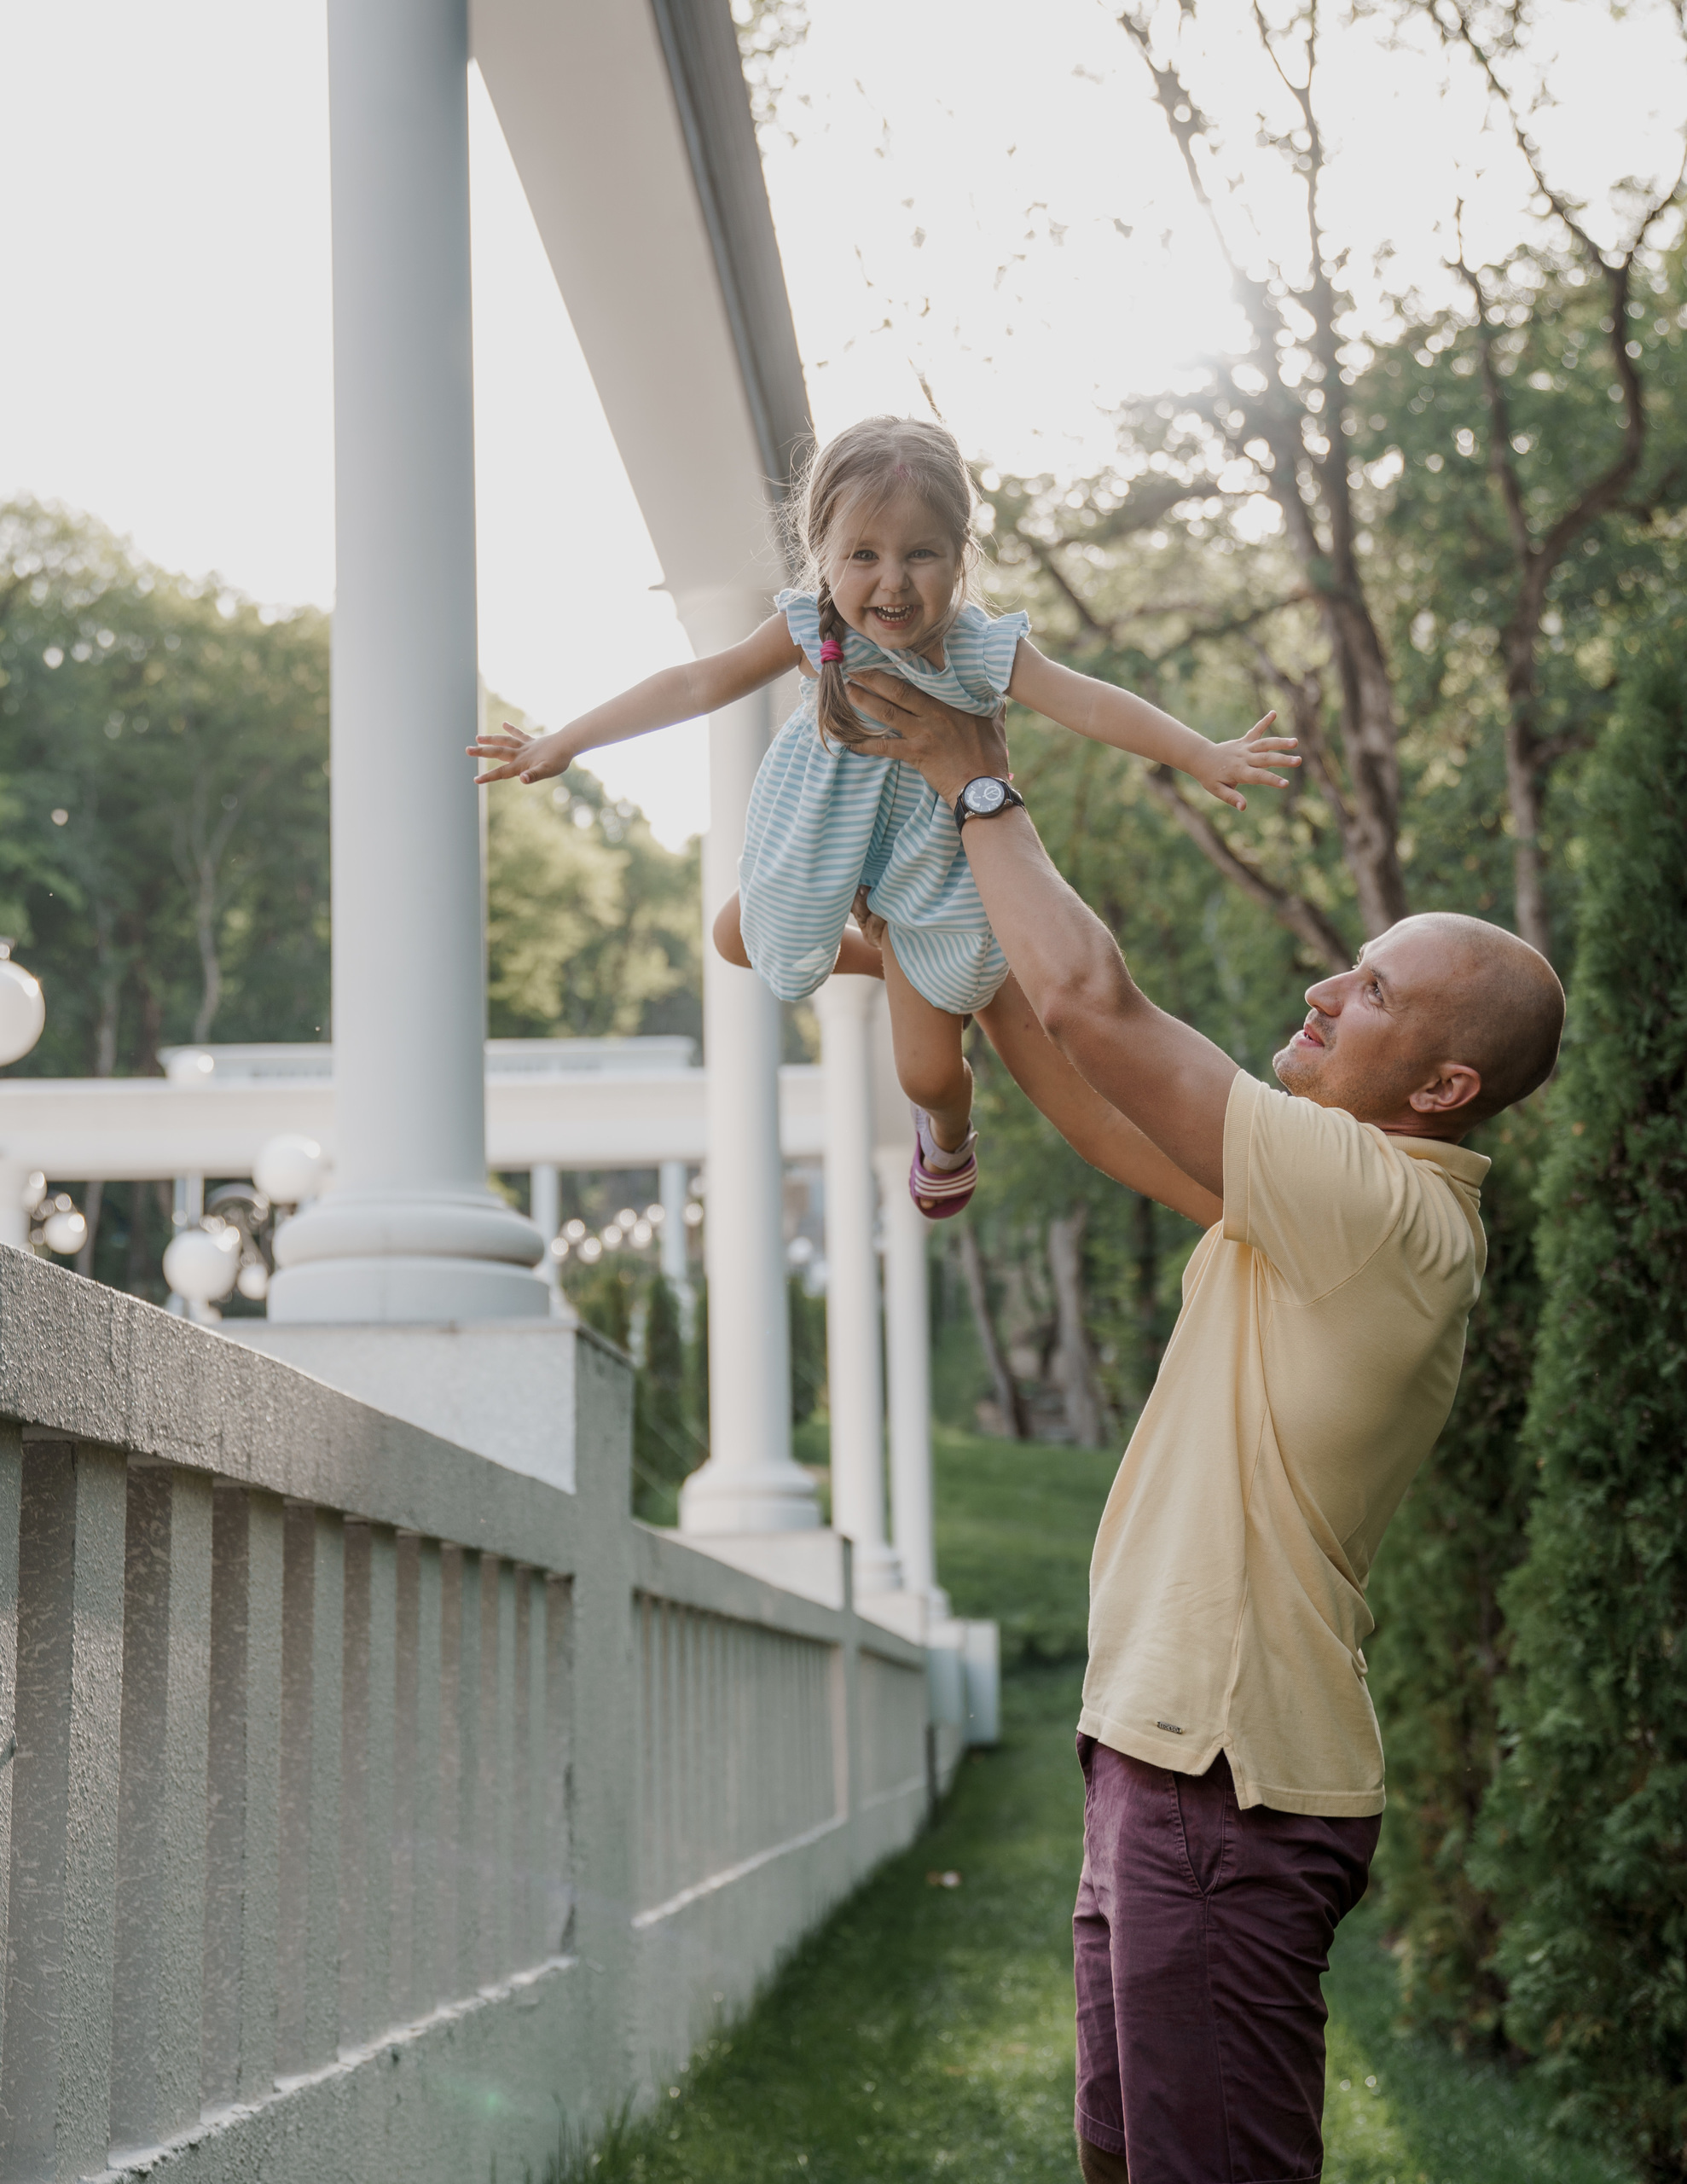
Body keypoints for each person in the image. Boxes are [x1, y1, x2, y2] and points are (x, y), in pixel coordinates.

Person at [831, 666, 1565, 2184]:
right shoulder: (1317, 1199)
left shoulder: (1375, 1210)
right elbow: (1099, 1100)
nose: (1322, 990)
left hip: (1224, 1791)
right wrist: (939, 967)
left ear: (1439, 1081)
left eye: (1369, 993)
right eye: (1346, 965)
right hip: (1159, 1765)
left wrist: (978, 781)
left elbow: (1103, 1006)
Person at [468, 415, 1295, 1219]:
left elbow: (1088, 702)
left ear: (959, 557)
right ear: (820, 554)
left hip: (935, 879)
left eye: (920, 554)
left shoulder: (974, 648)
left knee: (926, 1076)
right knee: (731, 938)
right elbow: (695, 683)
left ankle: (946, 1135)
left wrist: (1199, 753)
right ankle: (893, 963)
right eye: (863, 555)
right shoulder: (808, 628)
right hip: (826, 845)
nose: (892, 582)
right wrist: (566, 740)